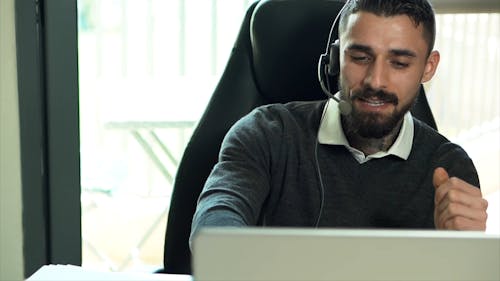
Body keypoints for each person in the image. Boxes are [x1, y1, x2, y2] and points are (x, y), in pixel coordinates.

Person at [189, 0, 488, 242]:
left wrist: (463, 249)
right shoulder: (265, 134)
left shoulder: (450, 169)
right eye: (360, 57)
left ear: (428, 67)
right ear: (335, 59)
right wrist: (223, 243)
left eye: (399, 63)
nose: (376, 81)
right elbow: (217, 219)